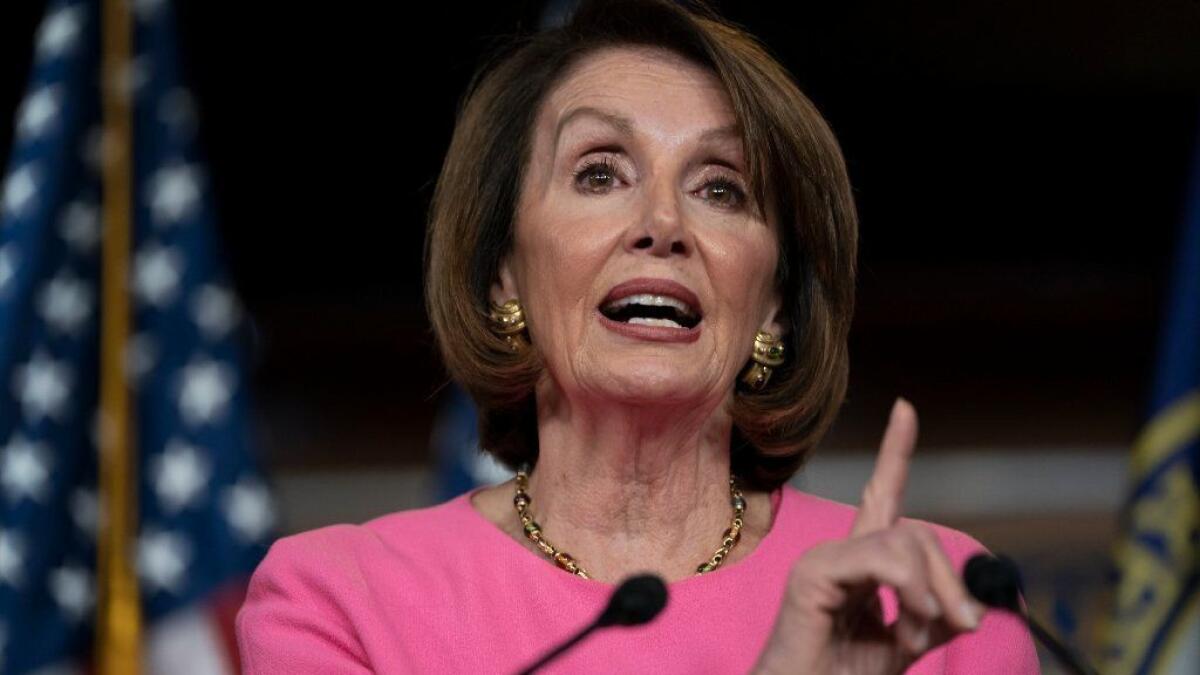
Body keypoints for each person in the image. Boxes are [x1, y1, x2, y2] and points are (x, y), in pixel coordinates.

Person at [235, 1, 1041, 672]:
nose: (662, 225)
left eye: (721, 188)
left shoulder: (936, 605)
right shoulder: (339, 600)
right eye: (599, 173)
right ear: (503, 273)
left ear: (774, 308)